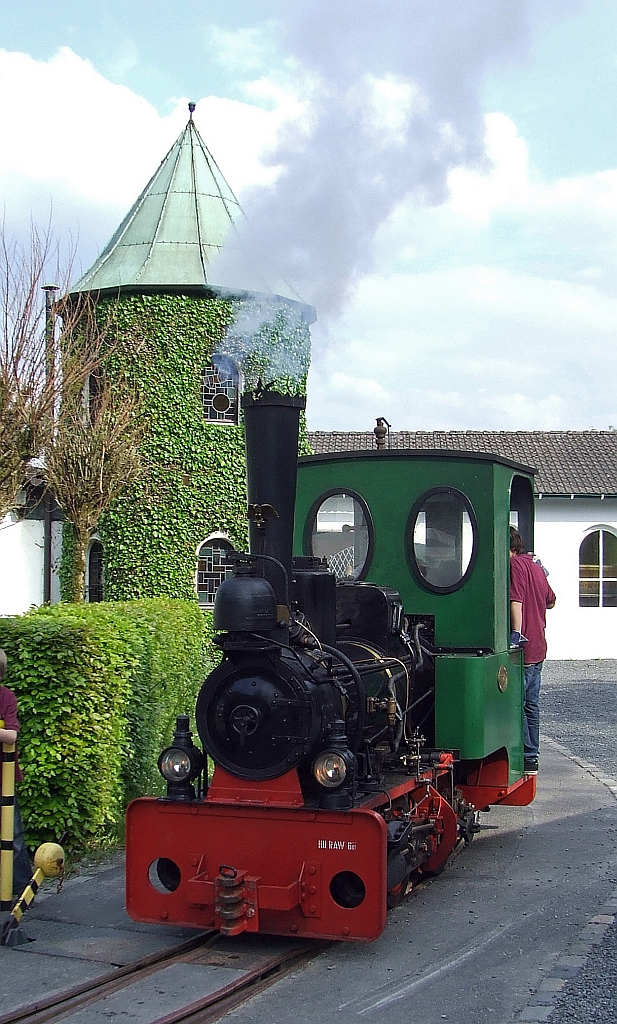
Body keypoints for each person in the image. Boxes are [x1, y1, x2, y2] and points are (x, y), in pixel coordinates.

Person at [509, 527, 556, 776]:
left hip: (525, 648)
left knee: (518, 704)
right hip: (539, 645)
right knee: (532, 705)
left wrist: (516, 635)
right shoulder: (536, 565)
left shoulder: (515, 565)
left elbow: (515, 600)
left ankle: (525, 755)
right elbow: (551, 599)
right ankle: (532, 756)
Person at [0, 649, 33, 895]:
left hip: (4, 780)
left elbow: (11, 735)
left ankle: (22, 892)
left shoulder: (6, 697)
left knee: (14, 837)